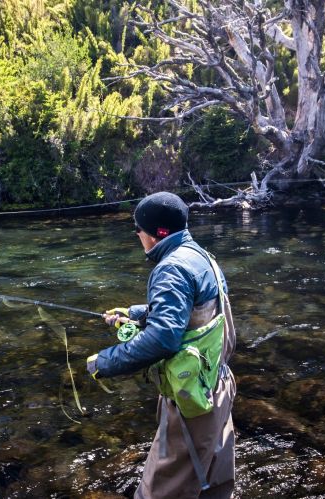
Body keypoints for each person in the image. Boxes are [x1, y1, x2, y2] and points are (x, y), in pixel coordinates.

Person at [86, 192, 237, 498]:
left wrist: (104, 362)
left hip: (192, 400)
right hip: (218, 386)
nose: (137, 235)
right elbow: (195, 310)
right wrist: (135, 313)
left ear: (156, 235)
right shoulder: (200, 256)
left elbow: (164, 338)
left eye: (138, 229)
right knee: (215, 487)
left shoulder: (171, 269)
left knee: (160, 491)